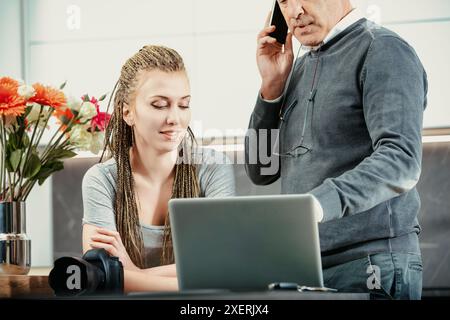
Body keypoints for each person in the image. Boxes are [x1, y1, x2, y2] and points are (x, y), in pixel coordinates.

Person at [245, 0, 428, 299]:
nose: (294, 12)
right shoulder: (297, 67)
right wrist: (271, 90)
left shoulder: (383, 50)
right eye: (284, 1)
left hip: (371, 265)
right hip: (306, 268)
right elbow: (261, 169)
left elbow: (401, 159)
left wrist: (317, 204)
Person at [82, 45, 235, 292]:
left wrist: (130, 273)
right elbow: (100, 274)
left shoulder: (213, 170)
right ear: (127, 112)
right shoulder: (101, 180)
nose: (175, 118)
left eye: (183, 105)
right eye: (160, 104)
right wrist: (196, 275)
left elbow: (226, 265)